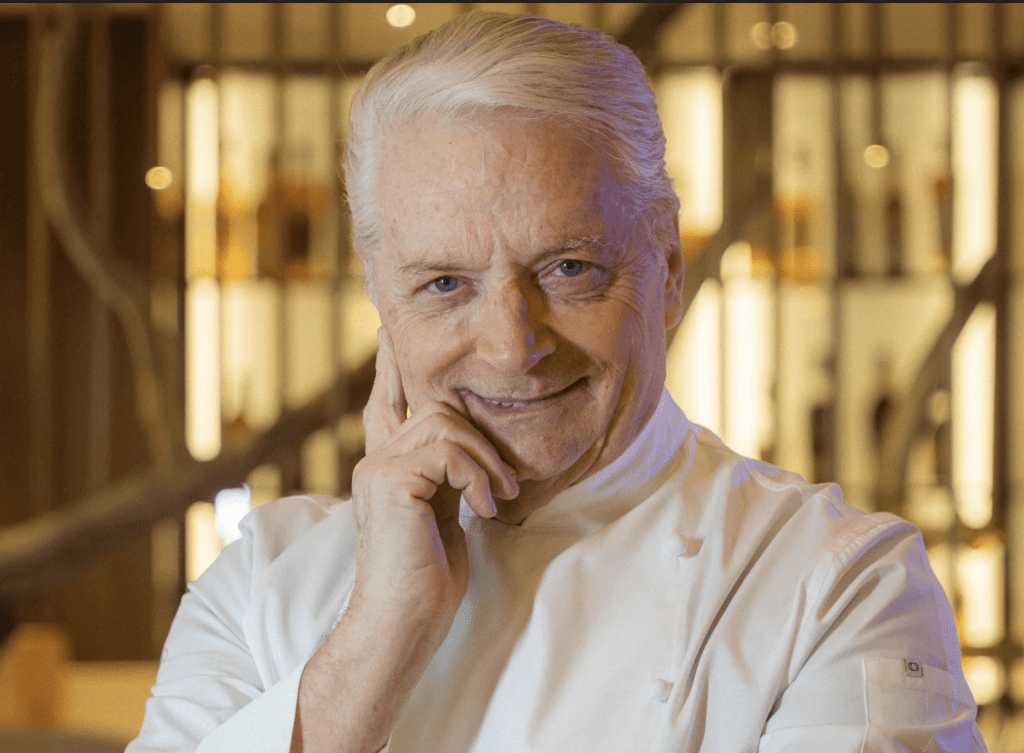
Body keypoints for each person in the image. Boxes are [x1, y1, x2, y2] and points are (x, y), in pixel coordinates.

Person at [128, 12, 985, 753]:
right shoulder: (261, 583)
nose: (512, 347)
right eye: (444, 284)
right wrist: (383, 632)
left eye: (569, 268)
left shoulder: (837, 585)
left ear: (668, 267)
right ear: (381, 301)